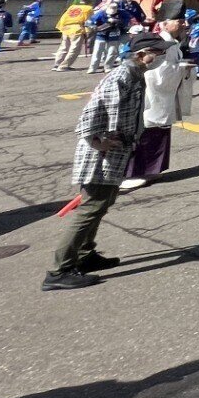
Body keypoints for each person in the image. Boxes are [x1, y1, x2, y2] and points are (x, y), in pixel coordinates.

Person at [45, 32, 165, 290]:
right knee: (90, 207)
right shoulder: (122, 77)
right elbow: (90, 114)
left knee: (101, 203)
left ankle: (85, 255)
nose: (161, 57)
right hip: (102, 154)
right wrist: (97, 141)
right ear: (140, 54)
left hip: (116, 151)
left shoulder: (136, 75)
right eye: (158, 52)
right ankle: (59, 270)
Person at [122, 18, 190, 191]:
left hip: (164, 97)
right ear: (164, 24)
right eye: (179, 21)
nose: (185, 25)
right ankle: (134, 173)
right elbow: (159, 75)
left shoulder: (171, 43)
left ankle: (152, 170)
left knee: (160, 133)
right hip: (152, 98)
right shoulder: (159, 43)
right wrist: (183, 69)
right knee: (147, 132)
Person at [53, 0, 96, 71]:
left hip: (66, 28)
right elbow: (88, 21)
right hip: (77, 29)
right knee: (74, 49)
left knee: (63, 47)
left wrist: (61, 28)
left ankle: (57, 64)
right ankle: (64, 66)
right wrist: (88, 32)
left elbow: (63, 18)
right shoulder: (89, 9)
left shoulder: (72, 7)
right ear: (90, 0)